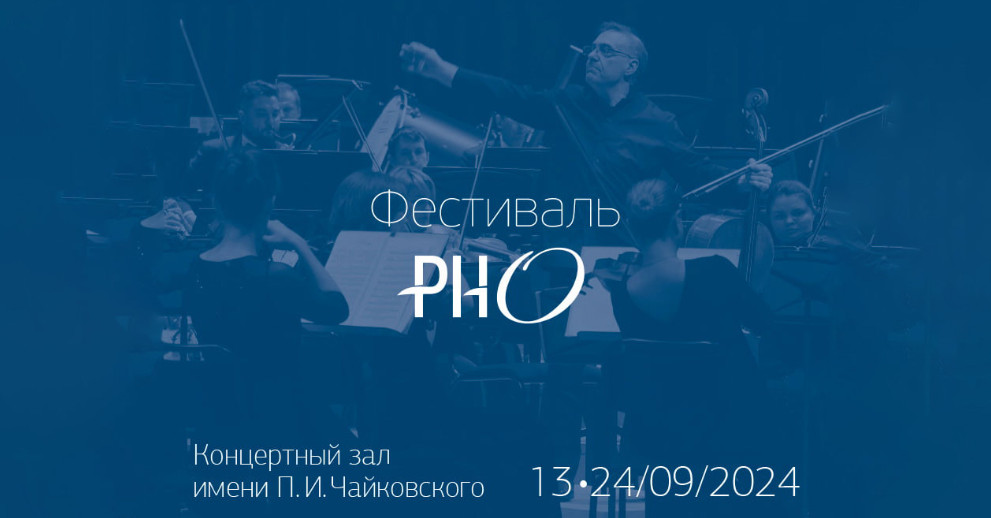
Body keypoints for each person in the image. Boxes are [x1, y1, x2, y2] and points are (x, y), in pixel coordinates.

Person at [400, 22, 772, 244]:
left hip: (623, 249)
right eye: (592, 49)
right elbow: (508, 95)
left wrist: (741, 182)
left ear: (630, 66)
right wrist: (440, 69)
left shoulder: (657, 122)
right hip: (561, 247)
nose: (592, 55)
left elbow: (696, 172)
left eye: (605, 51)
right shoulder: (566, 103)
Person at [598, 177, 777, 517]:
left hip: (660, 438)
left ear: (632, 227)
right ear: (677, 221)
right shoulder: (715, 271)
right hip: (729, 429)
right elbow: (765, 323)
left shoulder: (620, 289)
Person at [184, 150, 348, 429]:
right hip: (281, 415)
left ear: (216, 202)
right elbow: (337, 309)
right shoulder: (275, 276)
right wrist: (299, 243)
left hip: (221, 417)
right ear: (270, 202)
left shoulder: (196, 268)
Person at [186, 80, 291, 195]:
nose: (270, 122)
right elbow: (184, 191)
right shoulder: (214, 151)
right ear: (243, 117)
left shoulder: (287, 155)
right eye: (261, 114)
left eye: (275, 114)